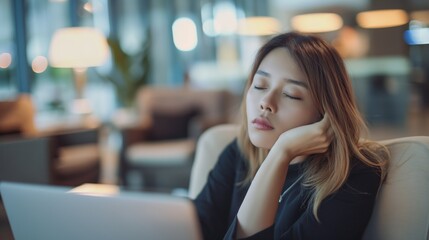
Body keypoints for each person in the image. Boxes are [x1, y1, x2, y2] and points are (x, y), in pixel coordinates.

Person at [193, 32, 389, 240]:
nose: (266, 101)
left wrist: (281, 153)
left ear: (325, 112)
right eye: (260, 85)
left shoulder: (353, 177)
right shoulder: (240, 152)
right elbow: (194, 229)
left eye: (290, 94)